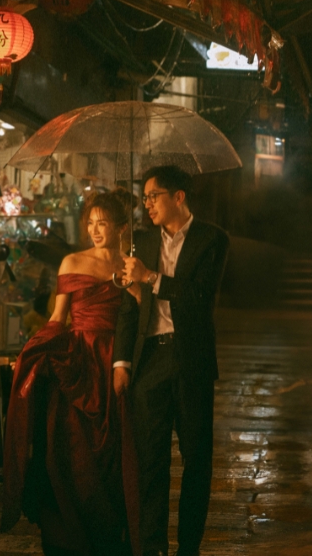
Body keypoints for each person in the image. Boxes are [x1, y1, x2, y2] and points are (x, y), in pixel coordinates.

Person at [2, 190, 140, 556]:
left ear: (120, 227)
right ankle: (68, 534)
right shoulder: (72, 261)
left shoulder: (131, 266)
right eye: (90, 223)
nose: (95, 230)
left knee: (111, 452)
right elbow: (57, 318)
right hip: (77, 362)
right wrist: (35, 351)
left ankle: (110, 535)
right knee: (70, 447)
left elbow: (138, 318)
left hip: (114, 360)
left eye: (103, 223)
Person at [114, 166, 230, 556]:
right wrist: (122, 363)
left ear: (178, 197)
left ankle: (188, 547)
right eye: (143, 197)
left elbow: (199, 298)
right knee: (151, 459)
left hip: (191, 358)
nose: (147, 204)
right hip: (150, 360)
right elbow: (130, 309)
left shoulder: (212, 239)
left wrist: (151, 278)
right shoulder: (140, 241)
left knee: (196, 458)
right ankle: (151, 546)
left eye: (154, 196)